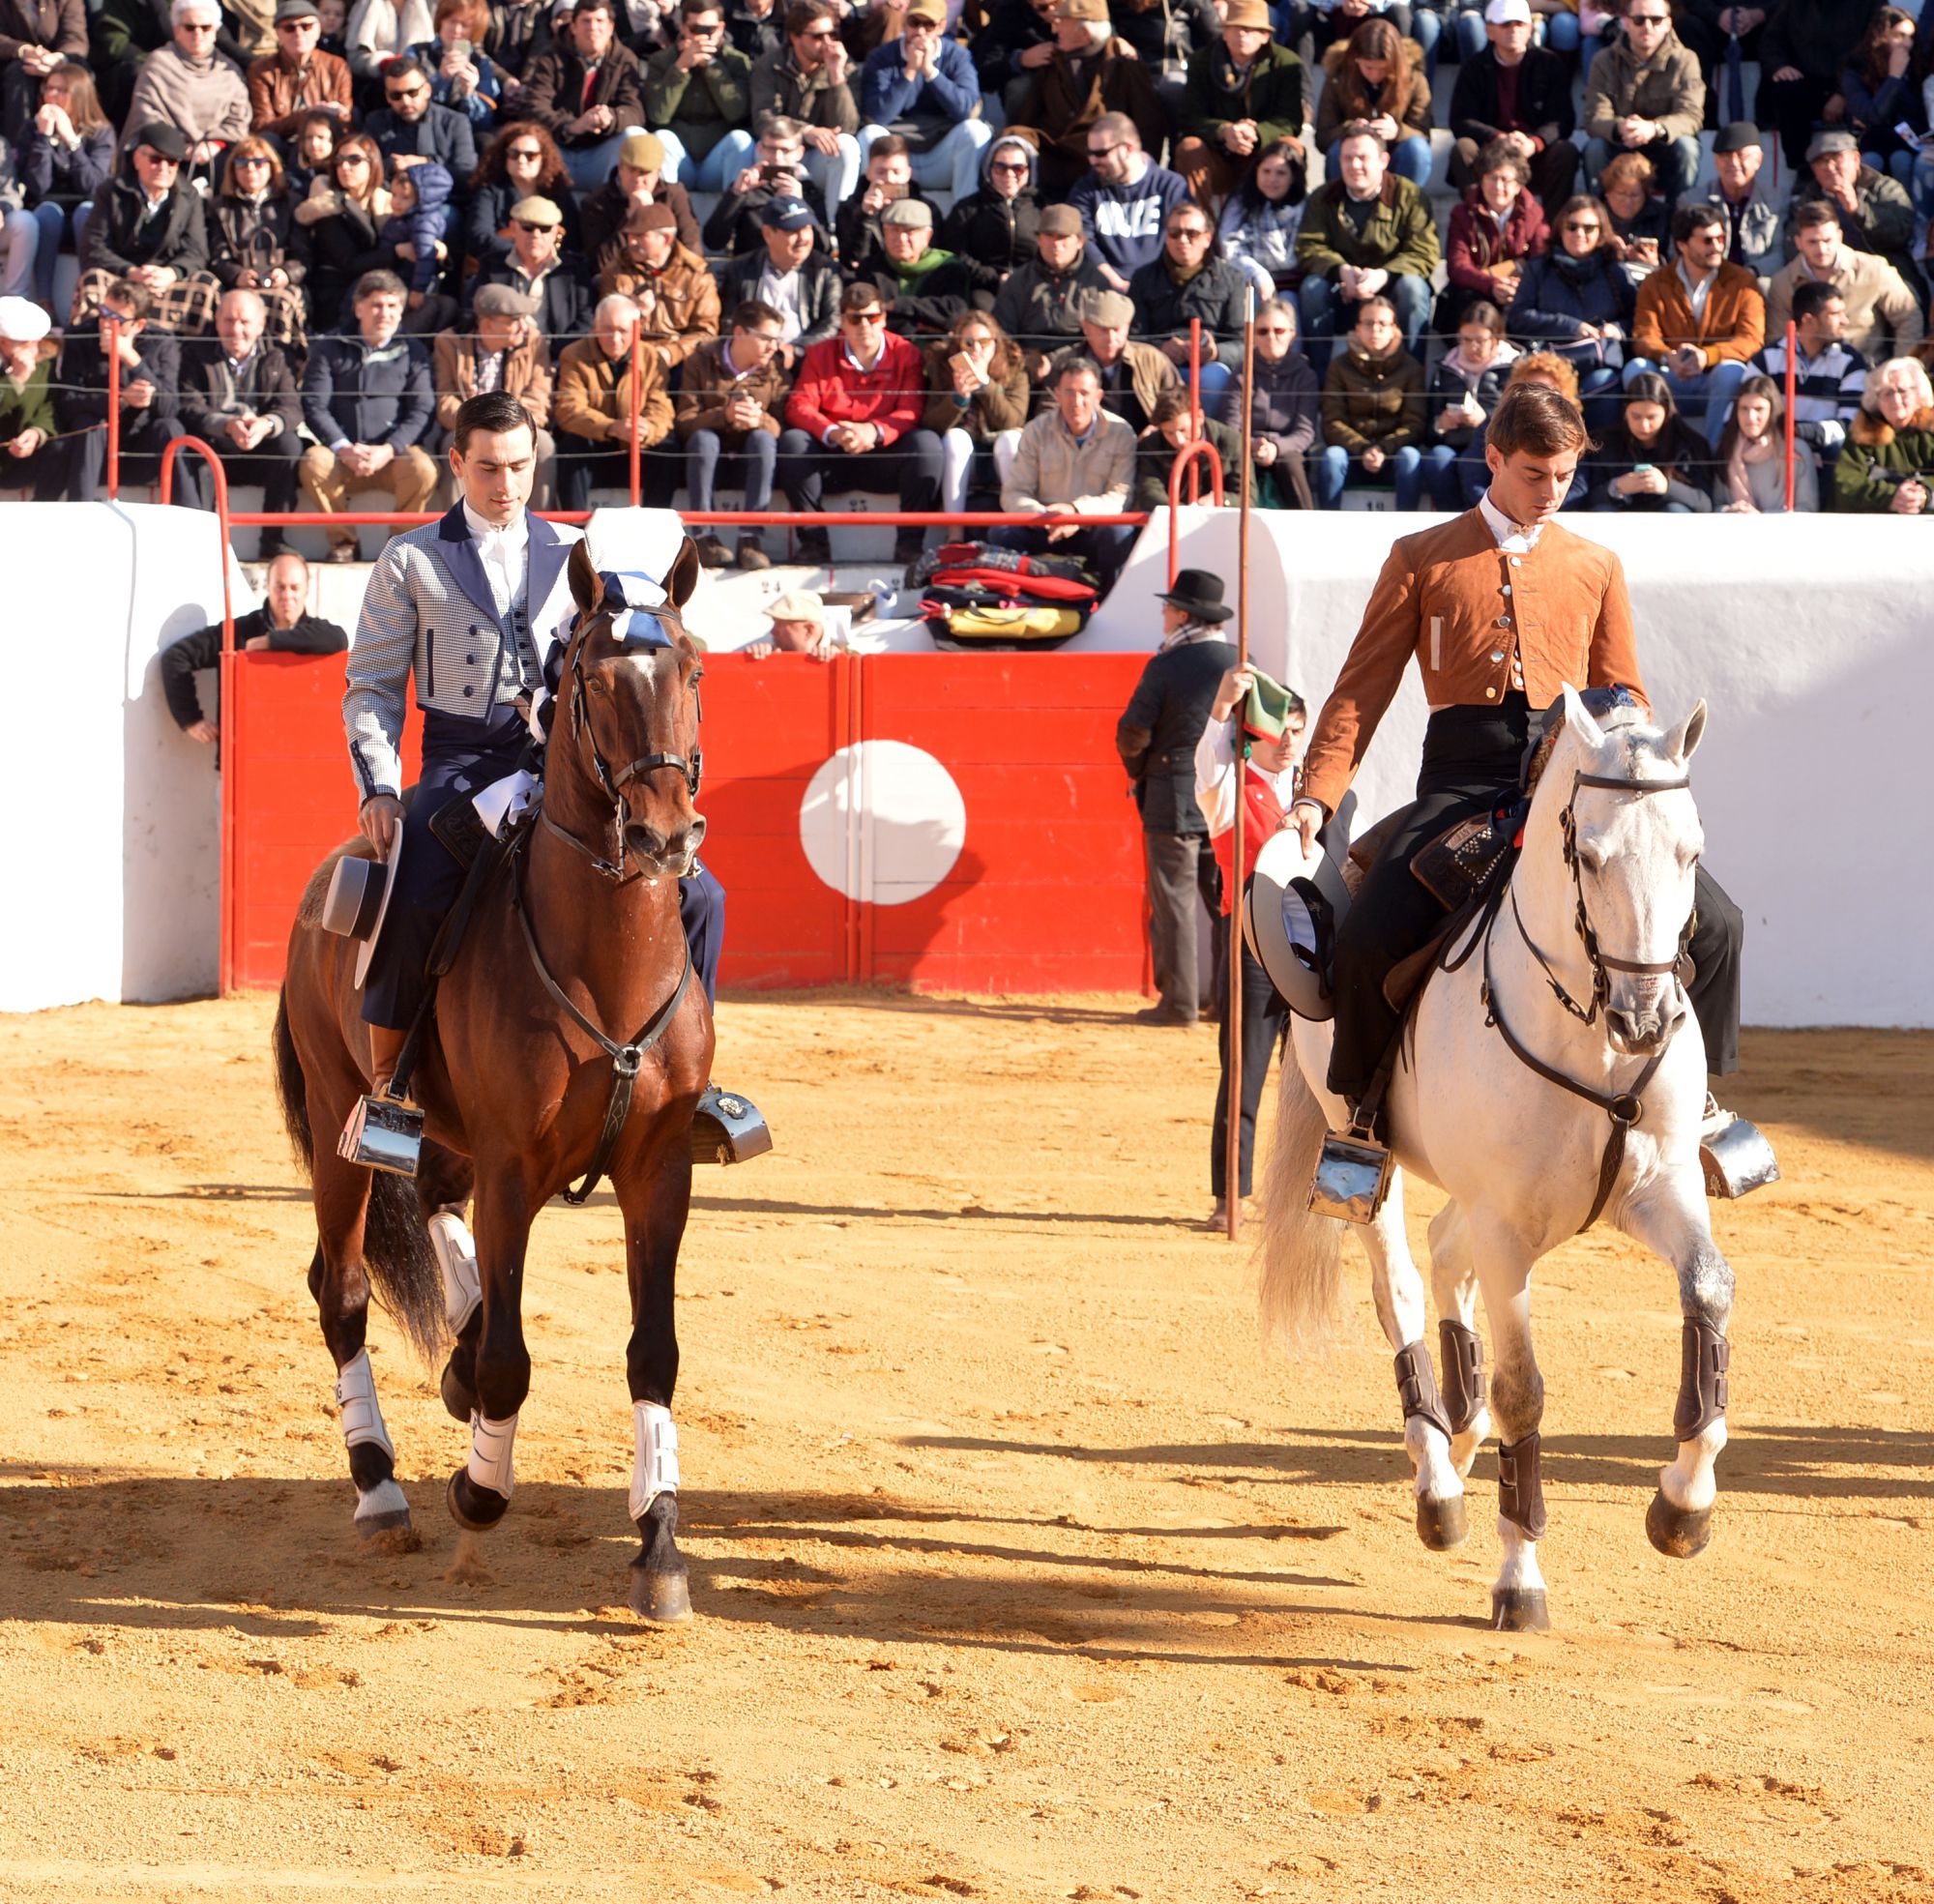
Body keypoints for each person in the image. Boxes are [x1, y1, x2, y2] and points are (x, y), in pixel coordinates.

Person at [1290, 380, 1750, 1148]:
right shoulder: (1420, 557)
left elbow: (1625, 689)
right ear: (1494, 457)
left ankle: (1701, 1105)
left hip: (1572, 781)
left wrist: (1617, 753)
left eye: (1565, 475)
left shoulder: (1596, 563)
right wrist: (1317, 795)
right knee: (1367, 938)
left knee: (1723, 927)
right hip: (1462, 785)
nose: (1551, 492)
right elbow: (1359, 692)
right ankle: (1362, 1123)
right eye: (1535, 474)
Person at [1195, 660, 1306, 1224]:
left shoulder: (1317, 796)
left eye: (1297, 731)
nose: (1289, 742)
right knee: (1245, 1069)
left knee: (1315, 1080)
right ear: (1254, 735)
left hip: (1312, 950)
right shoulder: (1231, 788)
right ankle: (1230, 1196)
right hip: (1255, 948)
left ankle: (1306, 1196)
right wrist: (1221, 707)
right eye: (1278, 730)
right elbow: (1209, 763)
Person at [1115, 567, 1238, 1029]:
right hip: (1222, 799)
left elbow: (1133, 732)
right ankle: (1225, 1004)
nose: (1163, 613)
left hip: (1172, 798)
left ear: (1184, 613)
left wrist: (1137, 772)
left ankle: (1179, 1004)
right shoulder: (1241, 660)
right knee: (1223, 902)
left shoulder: (1166, 665)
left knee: (1174, 902)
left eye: (1168, 606)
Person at [777, 279, 940, 570]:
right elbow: (799, 405)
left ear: (883, 319)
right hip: (833, 455)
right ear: (842, 322)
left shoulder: (907, 354)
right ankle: (814, 542)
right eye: (855, 318)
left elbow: (911, 411)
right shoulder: (820, 353)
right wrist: (834, 431)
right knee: (793, 442)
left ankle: (909, 545)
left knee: (926, 444)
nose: (864, 325)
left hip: (884, 454)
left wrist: (873, 432)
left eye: (872, 317)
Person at [299, 269, 440, 560]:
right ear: (358, 307)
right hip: (342, 456)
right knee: (313, 462)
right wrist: (343, 447)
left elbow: (422, 409)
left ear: (401, 312)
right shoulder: (329, 349)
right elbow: (315, 405)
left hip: (392, 457)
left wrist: (389, 449)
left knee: (424, 469)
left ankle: (399, 544)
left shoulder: (414, 351)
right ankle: (343, 542)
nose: (383, 313)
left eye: (391, 306)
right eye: (376, 305)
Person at [161, 550, 349, 747]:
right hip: (244, 757)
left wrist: (269, 642)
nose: (287, 595)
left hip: (301, 756)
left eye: (294, 587)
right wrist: (191, 719)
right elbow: (177, 656)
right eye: (280, 587)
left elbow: (339, 639)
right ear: (268, 587)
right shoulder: (241, 630)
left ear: (306, 590)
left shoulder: (319, 633)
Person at [1294, 122, 1440, 372]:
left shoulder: (1410, 196)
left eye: (1363, 157)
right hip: (1343, 294)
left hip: (1392, 292)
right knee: (1312, 288)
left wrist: (1383, 275)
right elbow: (1309, 245)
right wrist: (1341, 271)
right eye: (1347, 158)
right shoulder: (1323, 196)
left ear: (1383, 160)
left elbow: (1424, 251)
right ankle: (1317, 378)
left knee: (1414, 289)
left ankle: (1414, 377)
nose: (1354, 166)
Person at [53, 276, 202, 506]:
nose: (105, 323)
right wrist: (120, 400)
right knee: (89, 424)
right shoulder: (80, 335)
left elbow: (171, 407)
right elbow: (67, 402)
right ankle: (80, 510)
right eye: (103, 312)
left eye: (116, 318)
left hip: (139, 450)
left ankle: (193, 520)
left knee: (171, 428)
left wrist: (132, 359)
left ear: (138, 324)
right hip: (92, 454)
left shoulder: (161, 341)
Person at [993, 350, 1137, 586]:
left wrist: (1075, 512)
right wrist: (1046, 516)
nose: (1076, 402)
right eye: (1069, 392)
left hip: (1092, 526)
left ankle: (1107, 602)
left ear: (1098, 396)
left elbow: (1121, 496)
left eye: (1084, 393)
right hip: (1043, 524)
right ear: (1057, 394)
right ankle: (1019, 599)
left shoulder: (1121, 433)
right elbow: (1014, 492)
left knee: (1118, 533)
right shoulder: (1036, 430)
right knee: (1001, 533)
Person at [1628, 201, 1764, 448]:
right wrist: (1666, 357)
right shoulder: (1655, 282)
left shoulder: (1743, 281)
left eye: (1721, 238)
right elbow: (1643, 334)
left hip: (1715, 380)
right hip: (1671, 378)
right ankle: (1650, 453)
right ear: (1682, 244)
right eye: (1707, 241)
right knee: (1636, 369)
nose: (1717, 247)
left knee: (1732, 371)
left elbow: (1751, 340)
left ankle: (1713, 455)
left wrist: (1708, 356)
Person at [675, 295, 790, 568]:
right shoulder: (700, 360)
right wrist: (724, 415)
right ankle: (704, 536)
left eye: (777, 340)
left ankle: (751, 539)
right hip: (705, 458)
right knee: (703, 439)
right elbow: (684, 423)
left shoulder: (775, 370)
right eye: (766, 338)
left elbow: (781, 426)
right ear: (739, 333)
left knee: (763, 439)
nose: (774, 347)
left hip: (753, 459)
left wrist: (758, 419)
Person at [1008, 0, 1162, 200]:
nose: (1055, 30)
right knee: (1011, 140)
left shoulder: (1124, 65)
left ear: (1085, 32)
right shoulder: (1051, 62)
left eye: (1062, 22)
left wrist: (1142, 177)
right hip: (1055, 157)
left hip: (1099, 163)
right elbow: (1028, 118)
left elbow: (1149, 124)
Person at [181, 286, 306, 533]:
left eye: (244, 321)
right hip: (216, 444)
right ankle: (204, 539)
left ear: (260, 325)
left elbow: (291, 407)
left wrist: (266, 425)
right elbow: (189, 406)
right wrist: (227, 425)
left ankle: (273, 539)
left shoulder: (278, 355)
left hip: (260, 445)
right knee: (193, 448)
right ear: (217, 322)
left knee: (289, 445)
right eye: (228, 320)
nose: (236, 329)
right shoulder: (194, 354)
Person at [1171, 0, 1305, 213]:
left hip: (1263, 154)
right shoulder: (1201, 61)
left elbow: (1290, 120)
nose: (1243, 35)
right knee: (1189, 148)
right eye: (1236, 28)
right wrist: (1223, 131)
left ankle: (1283, 222)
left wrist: (1256, 133)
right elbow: (1190, 118)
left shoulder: (1286, 63)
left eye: (1251, 29)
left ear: (1265, 36)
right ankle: (1199, 227)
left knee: (1292, 147)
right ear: (1224, 33)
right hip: (1219, 157)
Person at [1509, 192, 1630, 424]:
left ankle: (1596, 455)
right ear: (1560, 229)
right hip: (1551, 363)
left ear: (1601, 232)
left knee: (1604, 382)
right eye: (1572, 227)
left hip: (1598, 364)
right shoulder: (1539, 268)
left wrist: (1618, 329)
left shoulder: (1614, 271)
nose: (1580, 234)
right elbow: (1517, 317)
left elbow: (1639, 318)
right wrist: (1570, 326)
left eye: (1589, 228)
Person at [1449, 0, 1578, 216]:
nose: (1513, 30)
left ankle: (1553, 230)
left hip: (1533, 154)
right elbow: (1461, 120)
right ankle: (1478, 219)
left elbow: (1563, 118)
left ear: (1530, 29)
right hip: (1492, 152)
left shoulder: (1550, 63)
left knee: (1565, 152)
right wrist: (1497, 137)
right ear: (1489, 30)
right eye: (1505, 24)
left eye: (1519, 24)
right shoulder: (1474, 67)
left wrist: (1535, 142)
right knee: (1463, 148)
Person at [75, 121, 209, 326]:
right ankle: (94, 354)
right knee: (92, 282)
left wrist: (172, 272)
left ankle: (192, 356)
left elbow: (197, 250)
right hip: (121, 278)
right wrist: (131, 272)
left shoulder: (188, 196)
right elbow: (92, 247)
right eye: (155, 159)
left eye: (172, 161)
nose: (163, 168)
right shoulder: (110, 192)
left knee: (207, 288)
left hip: (167, 281)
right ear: (138, 158)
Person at [857, 0, 990, 203]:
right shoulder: (882, 57)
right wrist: (909, 72)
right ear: (904, 22)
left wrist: (930, 72)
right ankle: (873, 206)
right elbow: (877, 116)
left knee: (976, 131)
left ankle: (964, 213)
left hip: (939, 156)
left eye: (928, 25)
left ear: (941, 27)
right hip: (894, 160)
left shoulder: (958, 56)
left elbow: (964, 110)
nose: (920, 31)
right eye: (914, 23)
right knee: (870, 134)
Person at [551, 290, 675, 510]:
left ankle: (656, 531)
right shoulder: (573, 355)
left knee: (666, 448)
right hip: (596, 442)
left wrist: (646, 429)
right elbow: (569, 409)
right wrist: (612, 427)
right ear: (595, 327)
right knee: (572, 444)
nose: (615, 338)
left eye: (622, 331)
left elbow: (661, 407)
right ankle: (576, 534)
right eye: (608, 329)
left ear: (636, 330)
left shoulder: (651, 357)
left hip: (638, 442)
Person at [431, 280, 554, 489]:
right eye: (515, 320)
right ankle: (460, 521)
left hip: (517, 427)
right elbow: (445, 400)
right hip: (467, 428)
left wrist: (509, 426)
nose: (524, 327)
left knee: (543, 444)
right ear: (487, 325)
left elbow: (539, 398)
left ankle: (538, 520)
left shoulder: (534, 341)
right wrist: (478, 427)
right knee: (453, 447)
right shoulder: (449, 342)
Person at [1768, 201, 1922, 365]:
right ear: (1798, 243)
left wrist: (1899, 367)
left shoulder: (1873, 269)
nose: (1821, 249)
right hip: (1808, 375)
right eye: (1812, 242)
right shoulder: (1782, 283)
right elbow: (1779, 341)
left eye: (1827, 240)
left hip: (1868, 375)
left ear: (1840, 237)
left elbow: (1908, 316)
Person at [516, 0, 647, 190]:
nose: (593, 27)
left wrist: (611, 118)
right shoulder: (551, 57)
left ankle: (615, 206)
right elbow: (534, 106)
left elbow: (635, 111)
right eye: (586, 21)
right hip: (559, 152)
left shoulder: (625, 59)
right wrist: (570, 126)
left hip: (602, 153)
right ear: (573, 27)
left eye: (599, 21)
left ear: (611, 27)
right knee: (527, 139)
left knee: (635, 136)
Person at [1127, 200, 1247, 406]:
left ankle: (1208, 437)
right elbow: (1133, 337)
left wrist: (1215, 352)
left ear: (1207, 238)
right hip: (1158, 363)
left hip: (1210, 366)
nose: (1183, 240)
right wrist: (1160, 348)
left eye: (1192, 234)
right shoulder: (1143, 278)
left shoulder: (1231, 279)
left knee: (1212, 379)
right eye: (1175, 233)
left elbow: (1244, 343)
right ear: (1166, 237)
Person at [1581, 0, 1701, 202]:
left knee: (1688, 148)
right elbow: (1594, 117)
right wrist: (1622, 127)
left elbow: (1691, 115)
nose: (1647, 27)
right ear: (1626, 22)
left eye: (1656, 20)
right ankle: (1600, 221)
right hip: (1620, 143)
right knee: (1594, 149)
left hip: (1664, 148)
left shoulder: (1686, 60)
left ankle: (1679, 225)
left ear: (1668, 23)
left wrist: (1654, 128)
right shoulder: (1603, 60)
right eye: (1639, 19)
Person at [1315, 293, 1425, 509]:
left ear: (1394, 328)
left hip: (1393, 456)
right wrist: (1363, 449)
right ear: (1357, 328)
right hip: (1352, 455)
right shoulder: (1339, 366)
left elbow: (1415, 423)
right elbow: (1332, 421)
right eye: (1368, 323)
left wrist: (1384, 448)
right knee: (1331, 457)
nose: (1375, 330)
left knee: (1411, 457)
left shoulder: (1411, 368)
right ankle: (1327, 526)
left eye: (1383, 324)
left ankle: (1410, 537)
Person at [17, 63, 112, 308]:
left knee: (87, 212)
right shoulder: (32, 128)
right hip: (47, 212)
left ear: (79, 95)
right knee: (47, 213)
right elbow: (38, 186)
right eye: (49, 88)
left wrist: (72, 141)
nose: (52, 96)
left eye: (61, 90)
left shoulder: (100, 133)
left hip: (84, 211)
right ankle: (44, 302)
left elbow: (92, 186)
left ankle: (89, 299)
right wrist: (42, 138)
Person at [750, 1, 862, 211]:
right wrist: (806, 131)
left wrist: (836, 76)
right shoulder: (769, 65)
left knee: (847, 145)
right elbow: (763, 119)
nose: (828, 43)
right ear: (795, 37)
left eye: (832, 34)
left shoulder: (843, 64)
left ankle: (834, 227)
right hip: (781, 152)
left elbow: (847, 127)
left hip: (819, 155)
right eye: (818, 37)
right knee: (758, 146)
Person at [125, 0, 252, 181]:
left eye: (205, 27)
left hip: (216, 156)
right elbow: (147, 113)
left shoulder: (229, 71)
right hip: (167, 156)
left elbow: (239, 120)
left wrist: (215, 144)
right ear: (177, 31)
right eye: (190, 27)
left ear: (215, 32)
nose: (198, 33)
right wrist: (178, 146)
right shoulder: (158, 64)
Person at [1786, 128, 1920, 298]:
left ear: (1856, 159)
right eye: (1821, 161)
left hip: (1885, 274)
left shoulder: (1884, 188)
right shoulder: (1807, 202)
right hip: (1828, 283)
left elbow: (1901, 232)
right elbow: (1792, 245)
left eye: (1836, 157)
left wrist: (1858, 210)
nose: (1829, 166)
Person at [1067, 111, 1191, 294]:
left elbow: (1184, 240)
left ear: (1128, 149)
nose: (1093, 161)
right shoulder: (1086, 188)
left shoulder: (1171, 186)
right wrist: (1114, 282)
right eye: (1090, 153)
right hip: (1105, 290)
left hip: (1162, 290)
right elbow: (1083, 239)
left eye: (1101, 153)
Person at [202, 134, 308, 350]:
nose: (251, 170)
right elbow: (217, 255)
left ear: (272, 167)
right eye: (242, 164)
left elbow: (304, 255)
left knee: (284, 302)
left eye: (259, 163)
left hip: (281, 281)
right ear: (233, 169)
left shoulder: (292, 202)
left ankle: (285, 365)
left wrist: (286, 273)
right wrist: (237, 275)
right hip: (238, 283)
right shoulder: (220, 207)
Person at [922, 305, 1028, 513]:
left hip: (1001, 457)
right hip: (962, 460)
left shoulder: (1014, 369)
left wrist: (985, 384)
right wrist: (958, 398)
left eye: (984, 342)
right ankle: (955, 534)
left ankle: (1016, 526)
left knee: (1011, 439)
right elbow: (930, 423)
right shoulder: (943, 368)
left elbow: (1013, 421)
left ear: (996, 344)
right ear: (959, 344)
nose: (976, 349)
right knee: (955, 439)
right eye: (968, 342)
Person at [644, 0, 757, 191]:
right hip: (681, 158)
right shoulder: (661, 61)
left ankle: (733, 213)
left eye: (709, 29)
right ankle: (668, 209)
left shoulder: (736, 61)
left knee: (741, 140)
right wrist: (681, 68)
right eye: (695, 28)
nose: (701, 36)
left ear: (721, 28)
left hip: (716, 160)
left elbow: (737, 112)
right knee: (661, 137)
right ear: (683, 28)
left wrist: (712, 67)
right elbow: (658, 114)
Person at [1757, 0, 1880, 174]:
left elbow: (1874, 52)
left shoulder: (1870, 4)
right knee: (1785, 90)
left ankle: (1857, 172)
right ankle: (1802, 169)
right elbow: (1771, 41)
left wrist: (1843, 93)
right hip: (1808, 86)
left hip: (1854, 87)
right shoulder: (1795, 5)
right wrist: (1779, 66)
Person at [595, 200, 720, 368]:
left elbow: (706, 333)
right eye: (630, 235)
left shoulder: (696, 275)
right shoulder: (616, 271)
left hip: (680, 362)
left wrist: (671, 353)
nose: (631, 242)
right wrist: (636, 313)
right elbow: (605, 324)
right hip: (627, 356)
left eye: (640, 236)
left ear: (666, 239)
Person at [293, 132, 397, 332]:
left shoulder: (387, 204)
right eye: (339, 161)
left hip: (378, 294)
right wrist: (397, 252)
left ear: (372, 163)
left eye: (354, 160)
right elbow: (349, 263)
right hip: (336, 296)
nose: (345, 167)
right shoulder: (327, 207)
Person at [1441, 138, 1548, 330]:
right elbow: (1457, 266)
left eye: (1506, 180)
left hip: (1518, 290)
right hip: (1478, 289)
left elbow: (1540, 260)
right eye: (1492, 178)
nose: (1498, 187)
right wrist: (1492, 284)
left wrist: (1517, 286)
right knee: (1463, 299)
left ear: (1518, 186)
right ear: (1482, 180)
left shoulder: (1534, 213)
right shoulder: (1463, 213)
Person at [1752, 278, 1865, 457]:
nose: (1844, 320)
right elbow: (1744, 410)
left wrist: (1804, 432)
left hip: (1826, 452)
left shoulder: (1851, 361)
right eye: (1835, 314)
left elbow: (1850, 422)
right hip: (1775, 450)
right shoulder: (1767, 358)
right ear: (1808, 320)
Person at [1314, 18, 1432, 189]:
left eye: (1383, 69)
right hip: (1356, 157)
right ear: (1356, 59)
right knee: (1337, 150)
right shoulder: (1338, 77)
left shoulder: (1414, 78)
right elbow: (1323, 137)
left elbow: (1423, 133)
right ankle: (1339, 207)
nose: (1375, 75)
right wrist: (1350, 130)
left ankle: (1404, 205)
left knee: (1417, 150)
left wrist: (1397, 131)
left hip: (1396, 156)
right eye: (1368, 67)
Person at [718, 192, 839, 355]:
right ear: (768, 234)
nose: (802, 238)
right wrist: (757, 348)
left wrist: (796, 349)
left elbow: (832, 323)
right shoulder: (740, 269)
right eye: (793, 231)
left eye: (807, 229)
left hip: (807, 361)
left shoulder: (826, 271)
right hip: (752, 359)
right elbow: (728, 321)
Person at [854, 194, 993, 337]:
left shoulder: (948, 267)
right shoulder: (870, 268)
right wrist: (922, 323)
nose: (901, 239)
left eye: (910, 231)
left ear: (928, 235)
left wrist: (898, 305)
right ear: (884, 232)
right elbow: (865, 315)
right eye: (894, 230)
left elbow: (954, 315)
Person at [1225, 296, 1317, 508]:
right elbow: (1230, 425)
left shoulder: (1305, 375)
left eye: (1279, 331)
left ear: (1292, 335)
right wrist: (1252, 446)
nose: (1271, 337)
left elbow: (1305, 432)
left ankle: (1307, 525)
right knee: (1237, 461)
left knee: (1291, 462)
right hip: (1247, 447)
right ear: (1253, 336)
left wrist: (1275, 448)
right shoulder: (1241, 372)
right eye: (1263, 331)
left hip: (1286, 450)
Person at [1424, 298, 1516, 506]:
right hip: (1455, 444)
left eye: (1480, 340)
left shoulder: (1512, 366)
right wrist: (1440, 424)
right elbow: (1428, 428)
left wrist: (1486, 420)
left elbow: (1518, 416)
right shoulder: (1445, 368)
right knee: (1437, 459)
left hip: (1498, 447)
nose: (1472, 347)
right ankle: (1452, 523)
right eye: (1466, 339)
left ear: (1495, 339)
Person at [992, 201, 1104, 367]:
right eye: (1049, 235)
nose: (1056, 244)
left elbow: (1103, 336)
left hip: (1081, 366)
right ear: (1039, 239)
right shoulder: (1018, 281)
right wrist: (1027, 361)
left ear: (1080, 241)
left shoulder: (1096, 283)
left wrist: (1054, 360)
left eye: (1063, 237)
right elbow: (1003, 331)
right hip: (1025, 365)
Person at [465, 120, 588, 273]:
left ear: (543, 159)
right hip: (501, 269)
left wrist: (542, 258)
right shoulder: (489, 193)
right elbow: (479, 237)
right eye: (514, 154)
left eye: (530, 156)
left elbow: (573, 243)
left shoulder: (559, 194)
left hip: (551, 271)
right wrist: (524, 254)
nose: (521, 160)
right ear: (505, 157)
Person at [701, 110, 827, 258]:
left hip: (797, 273)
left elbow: (824, 247)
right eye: (771, 149)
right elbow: (713, 242)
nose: (777, 158)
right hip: (752, 272)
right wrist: (735, 195)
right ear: (760, 149)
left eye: (785, 150)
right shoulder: (746, 189)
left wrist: (799, 204)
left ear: (799, 153)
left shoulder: (808, 190)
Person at [1584, 370, 1714, 509]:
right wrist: (1616, 486)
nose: (1644, 425)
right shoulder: (1605, 443)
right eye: (1636, 416)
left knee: (1675, 509)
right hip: (1621, 520)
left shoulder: (1690, 446)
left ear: (1666, 412)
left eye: (1652, 417)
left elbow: (1705, 503)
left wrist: (1667, 487)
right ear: (1625, 412)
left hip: (1667, 521)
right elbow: (1585, 499)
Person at [473, 190, 588, 339]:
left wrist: (558, 358)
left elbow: (585, 322)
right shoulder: (491, 266)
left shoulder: (574, 270)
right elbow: (476, 314)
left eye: (544, 228)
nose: (536, 235)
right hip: (504, 354)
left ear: (555, 232)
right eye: (528, 227)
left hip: (559, 357)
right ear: (513, 228)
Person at [1831, 354, 1934, 512]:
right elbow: (1845, 484)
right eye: (1887, 393)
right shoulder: (1863, 433)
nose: (1896, 400)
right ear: (1876, 400)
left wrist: (1924, 494)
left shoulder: (1930, 431)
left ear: (1918, 394)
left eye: (1902, 391)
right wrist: (1890, 496)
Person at [1074, 284, 1177, 436]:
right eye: (1103, 330)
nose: (1110, 338)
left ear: (1127, 327)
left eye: (1116, 329)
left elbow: (1179, 406)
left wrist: (1158, 432)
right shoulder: (1067, 363)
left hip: (1145, 451)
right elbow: (1051, 413)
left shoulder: (1152, 359)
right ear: (1086, 328)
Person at [937, 134, 1040, 281]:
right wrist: (992, 278)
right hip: (983, 286)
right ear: (988, 169)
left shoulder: (1042, 208)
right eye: (1000, 168)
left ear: (1029, 171)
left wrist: (1024, 280)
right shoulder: (966, 209)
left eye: (1018, 169)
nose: (1009, 174)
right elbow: (954, 251)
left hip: (1032, 284)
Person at [247, 0, 354, 141]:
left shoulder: (336, 66)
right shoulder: (261, 70)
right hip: (284, 143)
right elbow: (261, 125)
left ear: (318, 29)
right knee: (268, 139)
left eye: (306, 26)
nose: (298, 33)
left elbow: (347, 117)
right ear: (278, 33)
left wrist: (337, 113)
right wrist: (307, 115)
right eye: (289, 28)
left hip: (325, 141)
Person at [1216, 137, 1306, 300]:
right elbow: (1231, 248)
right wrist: (1259, 275)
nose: (1272, 179)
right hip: (1253, 281)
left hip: (1296, 284)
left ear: (1293, 177)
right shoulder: (1240, 203)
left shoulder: (1306, 205)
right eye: (1266, 171)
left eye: (1281, 173)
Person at [1690, 121, 1782, 279]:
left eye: (1741, 155)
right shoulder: (1693, 201)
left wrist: (1751, 272)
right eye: (1725, 156)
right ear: (1715, 161)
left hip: (1754, 279)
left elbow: (1780, 253)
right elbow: (1683, 250)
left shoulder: (1777, 201)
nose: (1733, 163)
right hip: (1708, 277)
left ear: (1758, 160)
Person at [1839, 6, 1919, 188]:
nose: (1907, 43)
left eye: (1911, 37)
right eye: (1899, 36)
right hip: (1870, 142)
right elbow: (1873, 115)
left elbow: (1918, 116)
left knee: (1902, 160)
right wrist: (1894, 77)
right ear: (1881, 37)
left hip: (1907, 142)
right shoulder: (1856, 70)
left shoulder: (1916, 68)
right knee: (1871, 162)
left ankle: (1907, 216)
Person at [1714, 371, 1817, 511]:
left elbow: (1807, 509)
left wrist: (1760, 518)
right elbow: (1716, 505)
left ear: (1773, 411)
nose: (1750, 417)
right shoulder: (1726, 448)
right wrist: (1729, 511)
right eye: (1744, 409)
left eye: (1759, 409)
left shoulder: (1797, 450)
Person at [367, 49, 478, 176]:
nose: (406, 101)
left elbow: (466, 173)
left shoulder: (455, 122)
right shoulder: (376, 122)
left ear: (427, 90)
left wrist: (428, 163)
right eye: (396, 95)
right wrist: (392, 166)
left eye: (412, 93)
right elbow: (366, 167)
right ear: (387, 97)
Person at [834, 130, 926, 278]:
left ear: (908, 173)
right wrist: (865, 217)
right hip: (870, 279)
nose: (889, 178)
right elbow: (851, 260)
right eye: (881, 172)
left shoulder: (925, 209)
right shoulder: (849, 209)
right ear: (869, 172)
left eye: (896, 172)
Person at [1133, 382, 1240, 508]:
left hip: (1220, 521)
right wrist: (1181, 512)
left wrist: (1221, 499)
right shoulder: (1151, 445)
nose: (1178, 440)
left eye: (1183, 430)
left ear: (1200, 417)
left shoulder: (1231, 441)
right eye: (1169, 433)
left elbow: (1247, 496)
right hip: (1171, 521)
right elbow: (1149, 492)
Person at [407, 0, 507, 131]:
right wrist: (440, 79)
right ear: (441, 20)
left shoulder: (482, 64)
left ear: (474, 29)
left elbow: (484, 122)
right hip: (421, 128)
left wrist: (469, 93)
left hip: (461, 134)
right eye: (452, 21)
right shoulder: (417, 53)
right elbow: (405, 99)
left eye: (465, 25)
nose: (456, 30)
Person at [378, 154, 455, 323]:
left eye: (405, 198)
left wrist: (418, 289)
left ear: (421, 200)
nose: (396, 202)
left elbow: (425, 256)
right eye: (394, 195)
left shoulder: (423, 222)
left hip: (409, 282)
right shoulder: (404, 218)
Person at [0, 292, 62, 498]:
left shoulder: (43, 362)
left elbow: (49, 406)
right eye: (26, 342)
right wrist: (14, 381)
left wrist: (37, 433)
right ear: (3, 342)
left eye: (35, 341)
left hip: (22, 459)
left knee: (61, 448)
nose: (34, 349)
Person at [1597, 149, 1665, 284]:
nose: (1628, 201)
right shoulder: (1592, 217)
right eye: (1621, 194)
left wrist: (1656, 264)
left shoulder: (1663, 217)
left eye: (1634, 195)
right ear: (1608, 192)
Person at [744, 585, 836, 658]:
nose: (772, 632)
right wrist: (756, 664)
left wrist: (837, 661)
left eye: (780, 624)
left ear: (809, 630)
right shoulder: (767, 653)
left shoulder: (840, 658)